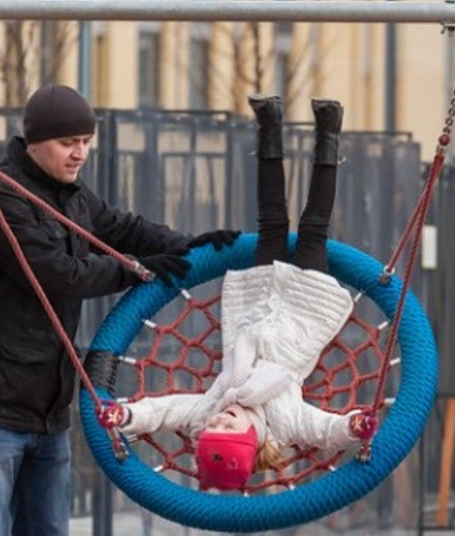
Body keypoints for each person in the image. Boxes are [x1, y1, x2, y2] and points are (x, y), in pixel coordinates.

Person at [0, 83, 238, 536]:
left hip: (48, 409)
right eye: (67, 142)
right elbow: (57, 272)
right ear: (34, 142)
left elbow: (124, 227)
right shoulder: (2, 198)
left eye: (85, 141)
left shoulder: (75, 196)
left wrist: (189, 246)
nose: (79, 152)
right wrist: (135, 268)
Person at [98, 94, 377, 492]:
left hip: (255, 305)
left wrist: (124, 417)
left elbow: (165, 410)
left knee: (271, 224)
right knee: (314, 227)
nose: (219, 416)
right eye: (227, 424)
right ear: (250, 437)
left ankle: (269, 125)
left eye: (213, 425)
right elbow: (326, 430)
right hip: (303, 313)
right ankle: (329, 131)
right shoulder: (284, 423)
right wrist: (354, 426)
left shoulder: (207, 410)